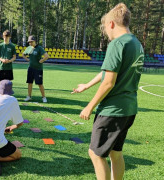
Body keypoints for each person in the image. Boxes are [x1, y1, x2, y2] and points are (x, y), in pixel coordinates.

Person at [72, 3, 144, 180]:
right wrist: (87, 85)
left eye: (105, 28)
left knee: (96, 154)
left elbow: (108, 83)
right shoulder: (135, 43)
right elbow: (108, 72)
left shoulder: (117, 44)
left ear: (111, 24)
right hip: (129, 109)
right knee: (115, 153)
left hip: (112, 110)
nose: (106, 32)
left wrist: (89, 106)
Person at [22, 35, 49, 103]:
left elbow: (47, 56)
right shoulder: (29, 48)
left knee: (40, 84)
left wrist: (42, 60)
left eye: (31, 42)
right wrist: (27, 59)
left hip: (38, 69)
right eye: (29, 42)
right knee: (30, 83)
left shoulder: (39, 48)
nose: (30, 43)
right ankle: (29, 96)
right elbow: (23, 54)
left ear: (35, 41)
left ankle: (44, 97)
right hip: (30, 68)